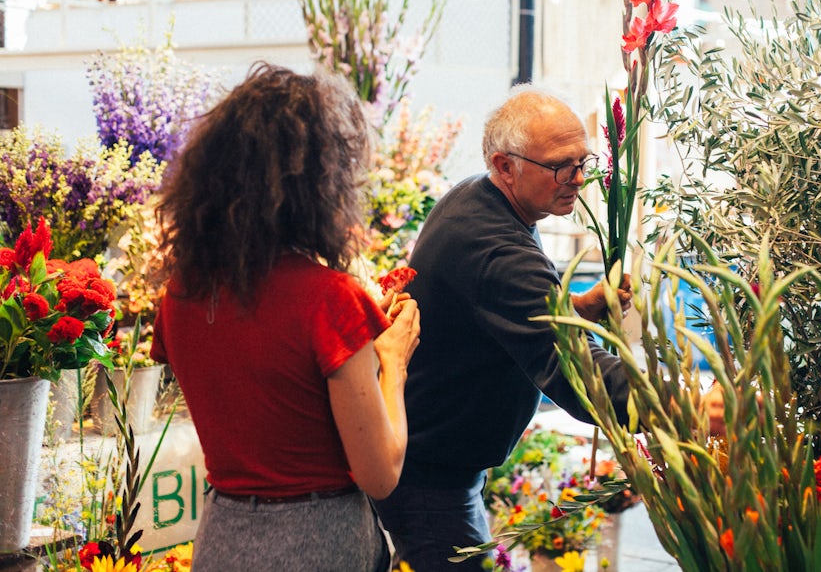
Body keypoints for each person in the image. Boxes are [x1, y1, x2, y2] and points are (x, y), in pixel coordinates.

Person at [373, 85, 726, 571]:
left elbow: (498, 312)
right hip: (430, 474)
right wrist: (686, 406)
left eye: (583, 161)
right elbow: (577, 373)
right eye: (561, 166)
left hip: (435, 457)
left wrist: (574, 307)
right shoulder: (497, 250)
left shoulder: (481, 197)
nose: (578, 178)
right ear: (505, 166)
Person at [150, 63, 420, 571]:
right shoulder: (330, 300)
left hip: (223, 536)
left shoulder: (181, 294)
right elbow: (381, 473)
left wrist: (357, 338)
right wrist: (393, 361)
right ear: (322, 184)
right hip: (317, 541)